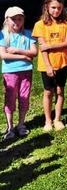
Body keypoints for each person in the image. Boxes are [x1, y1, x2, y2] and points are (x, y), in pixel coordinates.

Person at [32, 0, 67, 132]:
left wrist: (50, 46)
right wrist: (49, 66)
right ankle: (48, 120)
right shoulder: (40, 25)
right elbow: (42, 48)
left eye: (59, 8)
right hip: (47, 64)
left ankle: (57, 119)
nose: (56, 11)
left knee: (60, 90)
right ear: (47, 7)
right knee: (48, 92)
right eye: (53, 8)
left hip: (63, 62)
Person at [0, 7, 37, 139]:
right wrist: (24, 57)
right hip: (10, 72)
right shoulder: (3, 35)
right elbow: (3, 55)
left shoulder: (28, 34)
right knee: (10, 98)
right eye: (13, 19)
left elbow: (34, 52)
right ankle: (10, 127)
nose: (17, 21)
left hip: (26, 71)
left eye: (20, 18)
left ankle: (21, 124)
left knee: (24, 96)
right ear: (7, 20)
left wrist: (17, 51)